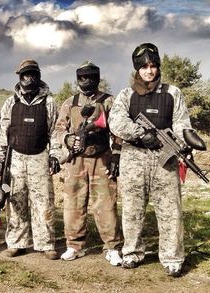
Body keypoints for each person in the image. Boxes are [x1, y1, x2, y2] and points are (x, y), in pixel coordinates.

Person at [108, 43, 204, 277]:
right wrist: (142, 134)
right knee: (132, 209)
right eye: (144, 67)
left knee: (170, 210)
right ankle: (131, 253)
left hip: (166, 159)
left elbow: (182, 124)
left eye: (153, 66)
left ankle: (172, 258)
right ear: (137, 70)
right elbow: (116, 122)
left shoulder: (173, 93)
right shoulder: (126, 94)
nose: (149, 71)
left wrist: (185, 143)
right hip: (134, 158)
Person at [51, 60, 123, 265]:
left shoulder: (109, 101)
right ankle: (74, 245)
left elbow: (118, 132)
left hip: (102, 158)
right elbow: (58, 129)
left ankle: (112, 247)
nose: (86, 81)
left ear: (98, 79)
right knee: (73, 204)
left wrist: (116, 156)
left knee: (106, 204)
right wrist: (66, 139)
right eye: (82, 78)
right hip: (76, 161)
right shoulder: (70, 102)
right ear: (77, 80)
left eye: (91, 78)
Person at [0, 59, 59, 260]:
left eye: (33, 75)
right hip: (16, 159)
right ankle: (16, 242)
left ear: (38, 76)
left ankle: (46, 244)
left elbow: (55, 131)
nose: (29, 79)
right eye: (25, 75)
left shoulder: (49, 102)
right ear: (19, 77)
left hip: (40, 157)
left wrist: (54, 155)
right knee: (15, 201)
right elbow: (3, 132)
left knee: (43, 202)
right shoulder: (11, 102)